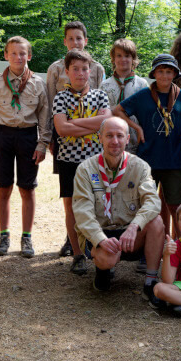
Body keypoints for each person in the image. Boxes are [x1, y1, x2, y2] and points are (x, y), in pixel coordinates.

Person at [72, 117, 165, 307]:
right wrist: (101, 240)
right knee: (107, 259)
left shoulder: (140, 167)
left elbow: (152, 201)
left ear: (127, 138)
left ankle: (150, 281)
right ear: (100, 138)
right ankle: (103, 270)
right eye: (109, 136)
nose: (115, 141)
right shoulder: (85, 170)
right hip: (101, 233)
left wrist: (134, 227)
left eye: (119, 136)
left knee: (156, 222)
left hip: (130, 234)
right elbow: (82, 213)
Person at [114, 54, 181, 237]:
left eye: (169, 72)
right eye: (161, 71)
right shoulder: (144, 95)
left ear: (175, 74)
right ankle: (149, 249)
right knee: (147, 206)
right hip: (148, 159)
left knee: (176, 205)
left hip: (173, 160)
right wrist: (136, 128)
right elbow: (117, 110)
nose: (165, 76)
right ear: (154, 73)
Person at [0, 36, 50, 258]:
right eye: (13, 53)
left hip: (28, 136)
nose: (18, 57)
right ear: (5, 55)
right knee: (3, 187)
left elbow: (44, 118)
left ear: (29, 56)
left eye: (22, 53)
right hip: (2, 136)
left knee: (27, 187)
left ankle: (27, 237)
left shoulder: (38, 83)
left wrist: (42, 145)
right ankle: (4, 235)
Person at [47, 21, 105, 257]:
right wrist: (56, 132)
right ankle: (72, 241)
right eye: (70, 38)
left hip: (92, 149)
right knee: (70, 198)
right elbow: (52, 106)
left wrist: (73, 125)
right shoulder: (55, 70)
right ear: (65, 41)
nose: (75, 42)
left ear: (85, 40)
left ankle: (93, 240)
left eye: (79, 38)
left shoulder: (97, 69)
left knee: (94, 197)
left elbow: (101, 113)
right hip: (66, 148)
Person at [53, 49, 112, 275]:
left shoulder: (100, 96)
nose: (80, 73)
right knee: (71, 207)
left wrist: (74, 123)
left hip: (94, 162)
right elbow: (61, 128)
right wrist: (92, 123)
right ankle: (77, 254)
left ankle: (97, 249)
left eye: (84, 69)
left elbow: (106, 121)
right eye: (75, 69)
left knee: (97, 205)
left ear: (91, 71)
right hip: (68, 161)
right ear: (66, 72)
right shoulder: (61, 97)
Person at [99, 38, 148, 154]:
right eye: (119, 56)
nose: (123, 59)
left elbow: (146, 114)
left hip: (135, 140)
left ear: (133, 59)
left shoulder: (142, 85)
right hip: (111, 139)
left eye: (127, 56)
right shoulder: (104, 85)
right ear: (113, 58)